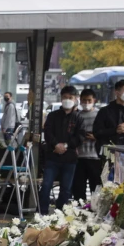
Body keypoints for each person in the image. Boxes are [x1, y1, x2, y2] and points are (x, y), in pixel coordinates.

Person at [40, 85, 82, 214]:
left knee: (66, 189)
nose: (67, 100)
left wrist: (66, 146)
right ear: (61, 98)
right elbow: (47, 133)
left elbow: (80, 137)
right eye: (65, 97)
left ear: (75, 99)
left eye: (70, 97)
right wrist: (55, 145)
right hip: (52, 157)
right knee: (46, 185)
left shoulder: (78, 118)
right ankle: (42, 212)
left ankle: (60, 213)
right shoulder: (52, 115)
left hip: (70, 158)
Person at [71, 88, 102, 204]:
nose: (86, 103)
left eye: (89, 100)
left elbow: (105, 133)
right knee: (78, 188)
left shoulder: (99, 114)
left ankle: (95, 209)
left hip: (95, 157)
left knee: (96, 187)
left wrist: (96, 137)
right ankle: (79, 210)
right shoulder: (76, 115)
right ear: (80, 100)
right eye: (84, 100)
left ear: (94, 100)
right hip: (79, 157)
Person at [0, 90, 19, 166]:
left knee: (9, 142)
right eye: (5, 96)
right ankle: (10, 156)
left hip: (9, 127)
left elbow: (8, 118)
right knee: (8, 142)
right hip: (8, 126)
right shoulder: (8, 105)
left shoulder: (10, 106)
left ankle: (11, 157)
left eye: (7, 96)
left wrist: (4, 127)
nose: (5, 98)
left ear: (11, 97)